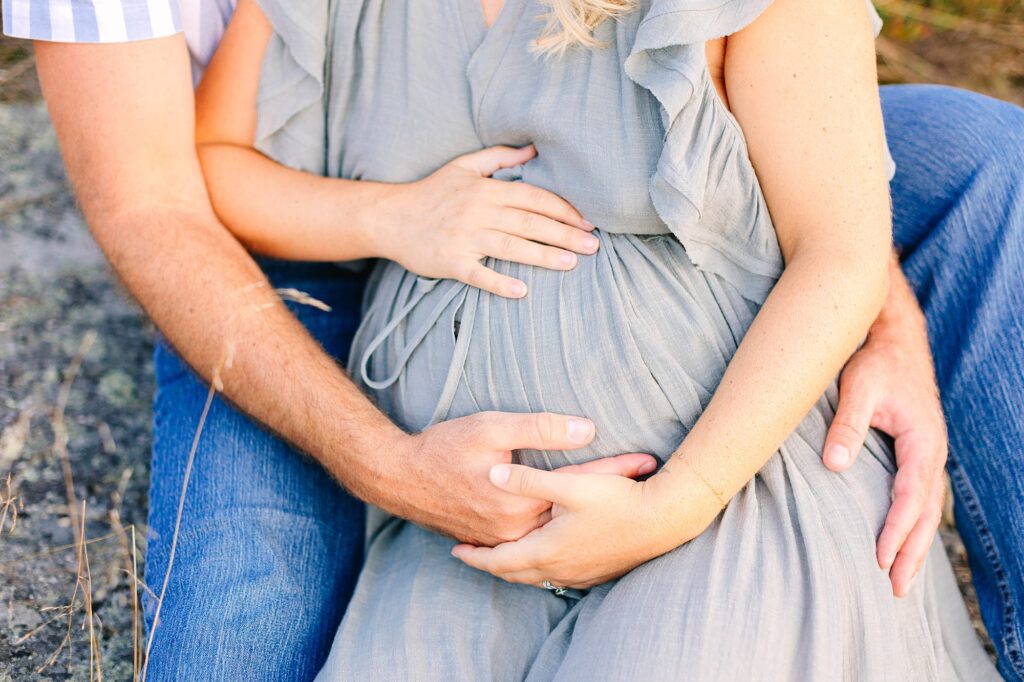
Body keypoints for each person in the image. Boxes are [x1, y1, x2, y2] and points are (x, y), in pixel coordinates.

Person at [3, 0, 1021, 679]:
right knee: (233, 637)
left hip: (711, 485)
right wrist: (385, 221)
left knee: (981, 163)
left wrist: (885, 315)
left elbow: (830, 237)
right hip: (444, 522)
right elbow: (161, 199)